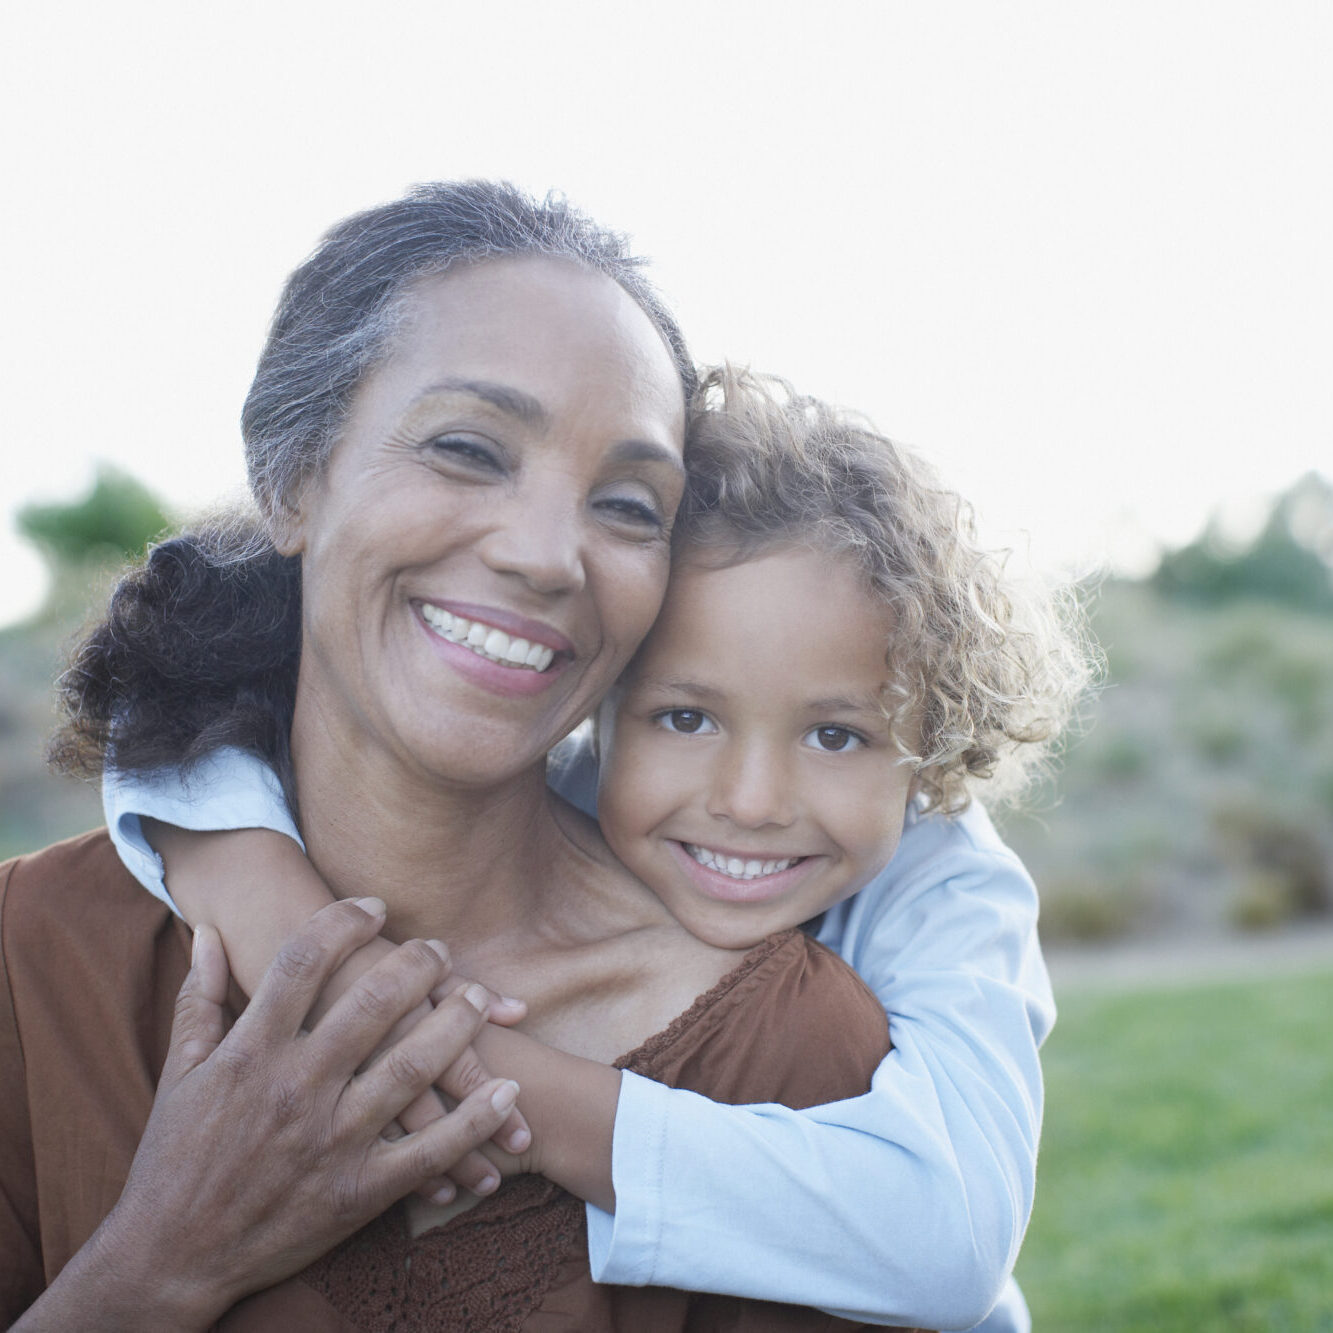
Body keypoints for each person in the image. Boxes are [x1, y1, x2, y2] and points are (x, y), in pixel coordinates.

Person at [0, 181, 904, 1331]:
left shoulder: (786, 1048)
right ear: (293, 479)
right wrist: (165, 1257)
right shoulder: (34, 963)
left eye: (628, 505)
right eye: (470, 449)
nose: (544, 554)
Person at [97, 369, 1088, 1329]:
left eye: (836, 735)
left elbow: (947, 1239)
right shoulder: (565, 783)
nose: (748, 801)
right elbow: (162, 703)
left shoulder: (950, 887)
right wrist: (249, 878)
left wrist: (475, 1076)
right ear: (597, 696)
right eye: (685, 717)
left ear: (931, 750)